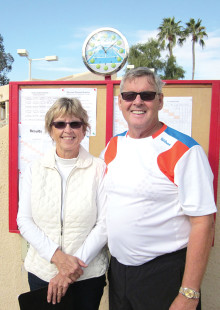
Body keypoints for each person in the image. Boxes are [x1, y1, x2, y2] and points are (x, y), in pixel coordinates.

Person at [102, 67, 217, 310]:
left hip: (163, 275)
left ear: (160, 101)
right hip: (119, 272)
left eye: (147, 95)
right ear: (120, 102)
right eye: (129, 96)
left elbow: (203, 222)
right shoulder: (114, 145)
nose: (137, 102)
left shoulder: (185, 150)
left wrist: (189, 293)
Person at [17, 97, 108, 309]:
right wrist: (56, 257)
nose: (68, 130)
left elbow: (105, 223)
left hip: (87, 275)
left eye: (75, 123)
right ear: (51, 130)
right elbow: (25, 220)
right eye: (60, 124)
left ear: (85, 129)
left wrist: (71, 268)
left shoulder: (99, 169)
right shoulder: (34, 169)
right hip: (43, 273)